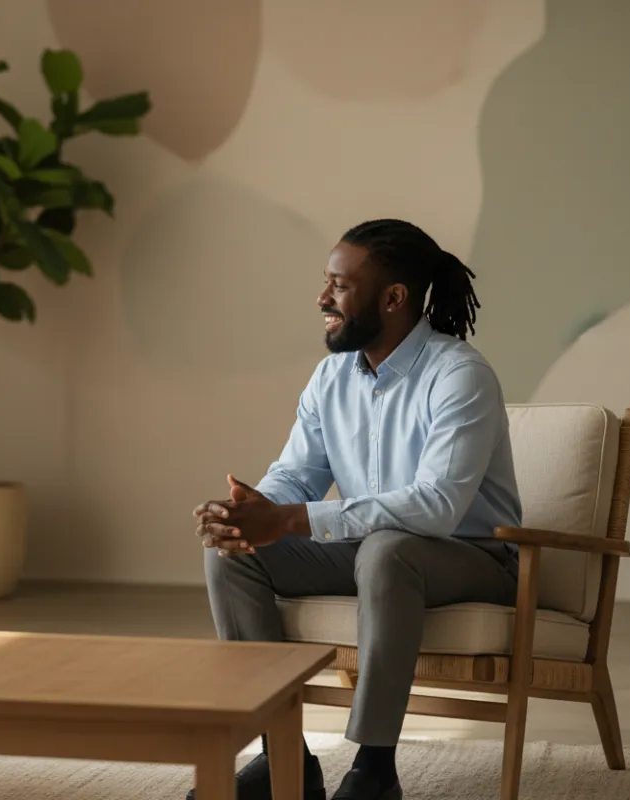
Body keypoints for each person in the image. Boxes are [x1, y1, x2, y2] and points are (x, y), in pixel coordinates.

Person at [191, 219, 522, 800]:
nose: (323, 298)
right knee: (234, 556)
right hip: (370, 551)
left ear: (394, 298)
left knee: (388, 550)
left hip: (472, 557)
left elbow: (438, 505)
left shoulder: (459, 376)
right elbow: (299, 475)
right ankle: (283, 759)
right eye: (327, 283)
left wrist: (292, 521)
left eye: (339, 286)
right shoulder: (331, 376)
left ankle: (374, 770)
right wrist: (248, 513)